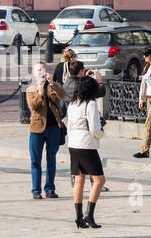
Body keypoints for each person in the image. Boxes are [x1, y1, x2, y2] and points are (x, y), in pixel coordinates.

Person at [65, 62, 105, 229]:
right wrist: (102, 133)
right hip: (86, 144)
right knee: (99, 180)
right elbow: (95, 129)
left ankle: (78, 216)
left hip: (73, 143)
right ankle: (89, 214)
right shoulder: (91, 104)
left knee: (79, 179)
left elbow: (67, 122)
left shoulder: (74, 104)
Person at [25, 62, 64, 199]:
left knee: (51, 159)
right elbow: (33, 106)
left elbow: (62, 95)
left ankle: (50, 189)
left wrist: (52, 83)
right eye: (38, 70)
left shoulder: (52, 86)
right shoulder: (31, 89)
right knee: (35, 161)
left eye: (43, 69)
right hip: (37, 128)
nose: (41, 72)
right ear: (34, 74)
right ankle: (36, 190)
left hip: (53, 127)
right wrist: (40, 92)